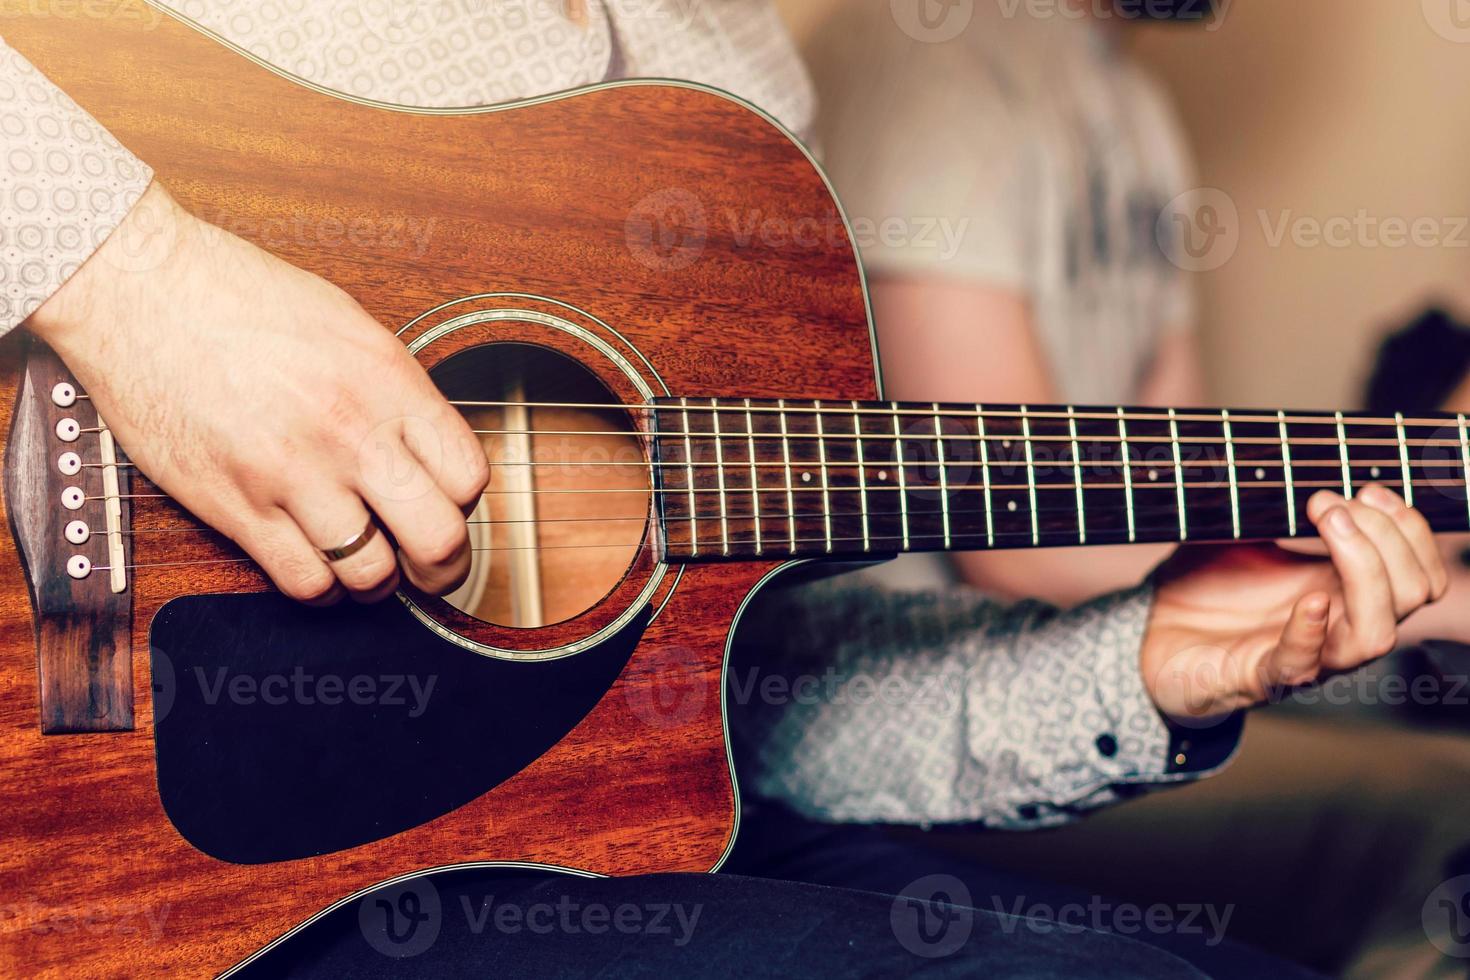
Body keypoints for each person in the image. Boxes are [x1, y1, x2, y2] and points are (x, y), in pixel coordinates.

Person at [0, 2, 1448, 975]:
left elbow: (736, 708)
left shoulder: (741, 84)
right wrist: (143, 290)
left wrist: (1136, 660)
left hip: (453, 853)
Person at [744, 1, 1470, 975]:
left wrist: (1418, 534)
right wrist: (1444, 608)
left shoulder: (1131, 103)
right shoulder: (924, 62)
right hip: (936, 707)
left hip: (1115, 647)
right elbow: (1018, 553)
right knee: (1443, 805)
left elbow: (1196, 496)